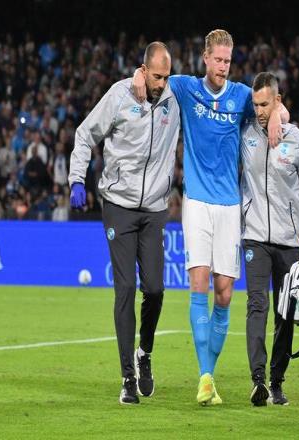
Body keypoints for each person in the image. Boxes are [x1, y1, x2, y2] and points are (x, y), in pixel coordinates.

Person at [132, 29, 289, 405]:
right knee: (199, 284)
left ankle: (210, 374)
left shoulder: (240, 96)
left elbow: (272, 105)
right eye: (217, 59)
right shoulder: (186, 88)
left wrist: (278, 115)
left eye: (228, 61)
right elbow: (154, 78)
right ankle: (204, 377)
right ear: (205, 58)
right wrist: (138, 74)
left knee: (224, 293)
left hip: (230, 204)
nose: (222, 66)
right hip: (197, 202)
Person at [68, 42, 180, 405]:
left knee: (156, 290)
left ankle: (144, 352)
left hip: (154, 210)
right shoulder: (119, 95)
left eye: (166, 76)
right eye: (157, 76)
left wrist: (278, 110)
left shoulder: (175, 98)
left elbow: (212, 89)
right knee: (126, 288)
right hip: (118, 206)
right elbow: (85, 134)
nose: (162, 83)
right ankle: (127, 377)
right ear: (143, 70)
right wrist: (76, 180)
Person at [240, 72, 299, 406]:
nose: (259, 111)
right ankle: (258, 380)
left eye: (265, 104)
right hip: (255, 236)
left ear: (277, 100)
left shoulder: (296, 139)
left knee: (285, 312)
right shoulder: (245, 133)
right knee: (256, 304)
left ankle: (277, 381)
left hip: (289, 240)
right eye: (256, 104)